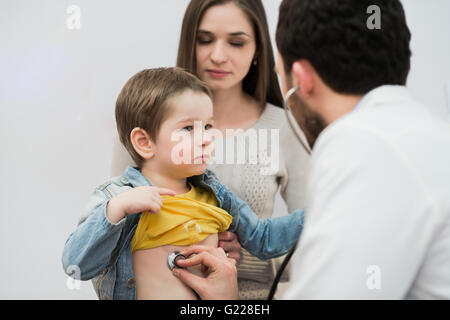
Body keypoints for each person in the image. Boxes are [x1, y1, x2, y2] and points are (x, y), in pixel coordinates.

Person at [173, 0, 450, 299]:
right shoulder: (423, 133)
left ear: (301, 79)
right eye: (205, 40)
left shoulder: (361, 146)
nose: (218, 55)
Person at [111, 0, 310, 300]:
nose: (218, 56)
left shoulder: (285, 128)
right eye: (204, 40)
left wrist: (247, 253)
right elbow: (110, 236)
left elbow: (318, 239)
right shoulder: (144, 123)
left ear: (258, 50)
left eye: (236, 42)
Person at [62, 67, 305, 300]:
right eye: (188, 128)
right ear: (144, 142)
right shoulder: (119, 198)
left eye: (208, 126)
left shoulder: (216, 197)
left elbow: (264, 239)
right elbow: (77, 265)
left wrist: (322, 210)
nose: (206, 139)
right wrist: (115, 210)